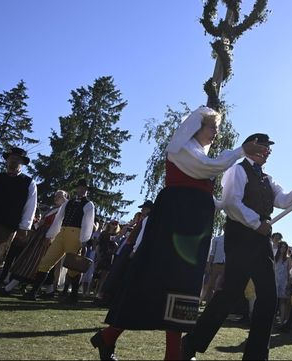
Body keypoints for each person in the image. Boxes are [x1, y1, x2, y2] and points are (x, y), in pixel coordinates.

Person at [91, 106, 267, 360]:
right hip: (174, 220)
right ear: (196, 127)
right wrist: (241, 151)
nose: (216, 133)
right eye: (212, 127)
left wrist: (229, 204)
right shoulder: (182, 148)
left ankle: (111, 339)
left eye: (217, 128)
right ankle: (127, 343)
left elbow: (204, 187)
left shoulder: (199, 154)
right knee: (158, 279)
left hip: (193, 223)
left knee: (182, 285)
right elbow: (206, 168)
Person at [181, 133, 292, 360]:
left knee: (268, 297)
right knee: (231, 293)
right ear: (252, 147)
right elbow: (230, 202)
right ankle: (191, 342)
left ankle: (256, 355)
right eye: (264, 146)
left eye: (269, 147)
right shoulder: (236, 170)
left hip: (260, 239)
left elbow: (283, 199)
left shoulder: (267, 179)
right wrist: (257, 223)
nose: (268, 151)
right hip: (240, 235)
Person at [24, 178, 95, 303]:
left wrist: (83, 240)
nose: (81, 190)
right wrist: (50, 235)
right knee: (46, 261)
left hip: (76, 234)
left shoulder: (89, 204)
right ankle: (33, 292)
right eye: (79, 187)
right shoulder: (68, 203)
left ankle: (73, 295)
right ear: (77, 188)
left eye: (84, 188)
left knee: (73, 266)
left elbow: (87, 223)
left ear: (87, 190)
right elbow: (58, 219)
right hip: (62, 233)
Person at [0, 147, 38, 305]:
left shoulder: (29, 183)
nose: (13, 161)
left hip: (7, 225)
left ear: (22, 163)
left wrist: (24, 227)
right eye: (11, 158)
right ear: (7, 160)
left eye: (17, 159)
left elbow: (30, 207)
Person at [2, 190, 68, 296]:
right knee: (34, 262)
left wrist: (48, 236)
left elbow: (57, 226)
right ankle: (49, 290)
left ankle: (10, 287)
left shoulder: (62, 210)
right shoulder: (52, 209)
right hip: (39, 237)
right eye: (56, 196)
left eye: (59, 196)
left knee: (33, 262)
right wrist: (38, 225)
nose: (56, 198)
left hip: (47, 239)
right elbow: (41, 223)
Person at [199, 234, 226, 306]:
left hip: (225, 266)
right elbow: (212, 252)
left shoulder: (232, 240)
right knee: (210, 285)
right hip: (216, 264)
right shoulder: (217, 239)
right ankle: (207, 304)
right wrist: (209, 265)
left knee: (221, 286)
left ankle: (216, 305)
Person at [274, 241, 292, 325]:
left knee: (282, 301)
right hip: (275, 281)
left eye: (284, 247)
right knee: (273, 301)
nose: (283, 248)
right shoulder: (275, 257)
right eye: (281, 247)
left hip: (284, 282)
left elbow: (290, 272)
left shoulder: (288, 259)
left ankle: (282, 321)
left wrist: (289, 282)